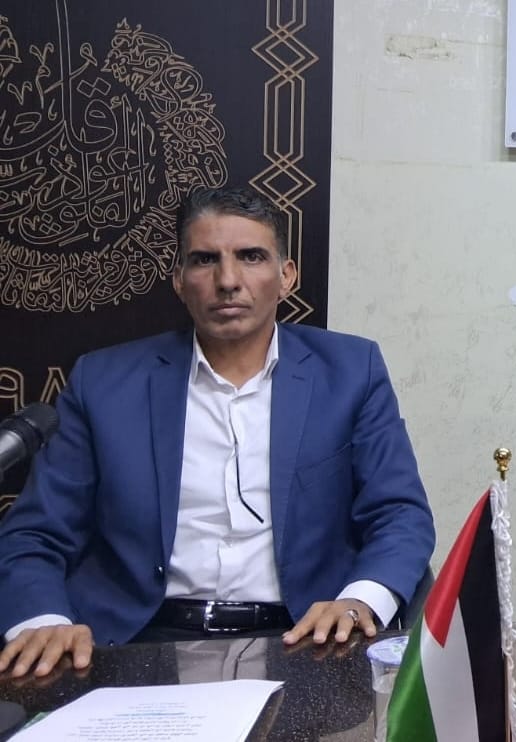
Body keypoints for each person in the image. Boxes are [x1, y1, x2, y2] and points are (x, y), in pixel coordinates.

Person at [0, 187, 435, 677]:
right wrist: (44, 622)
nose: (228, 281)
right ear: (179, 281)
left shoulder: (351, 372)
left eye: (251, 257)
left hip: (303, 637)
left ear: (286, 276)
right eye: (205, 260)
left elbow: (400, 515)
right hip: (136, 641)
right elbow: (36, 533)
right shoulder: (104, 383)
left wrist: (359, 601)